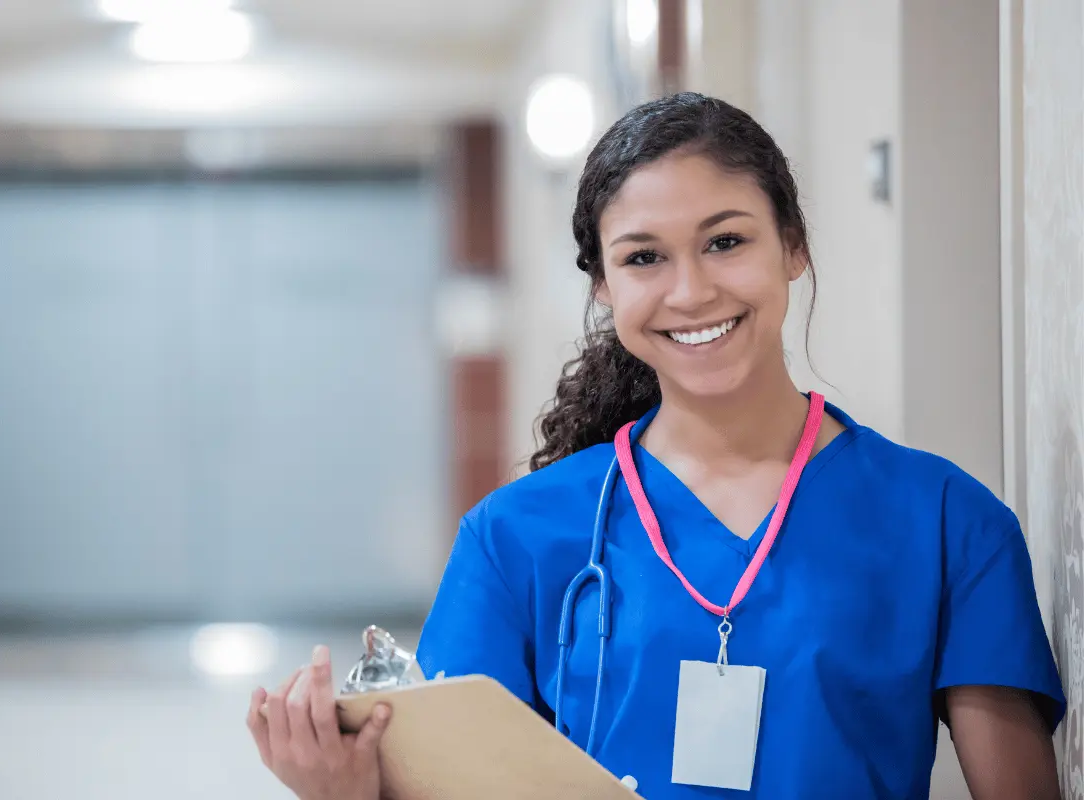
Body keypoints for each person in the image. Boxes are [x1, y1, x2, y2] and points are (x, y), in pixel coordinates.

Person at [246, 92, 1065, 799]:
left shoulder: (949, 522)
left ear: (794, 247)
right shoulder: (515, 538)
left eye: (726, 241)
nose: (690, 290)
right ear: (604, 286)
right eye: (644, 258)